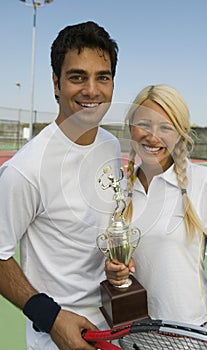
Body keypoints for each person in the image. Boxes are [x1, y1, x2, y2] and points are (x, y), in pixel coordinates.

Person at [0, 21, 122, 350]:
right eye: (77, 76)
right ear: (56, 83)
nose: (92, 90)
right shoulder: (24, 170)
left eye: (103, 77)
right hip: (60, 338)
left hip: (116, 326)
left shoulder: (111, 146)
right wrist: (51, 317)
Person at [105, 84, 207, 328]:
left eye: (166, 127)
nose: (153, 137)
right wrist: (114, 272)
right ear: (131, 128)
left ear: (180, 134)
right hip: (135, 333)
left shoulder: (206, 181)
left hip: (189, 335)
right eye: (144, 124)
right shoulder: (119, 189)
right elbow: (120, 265)